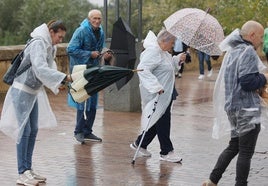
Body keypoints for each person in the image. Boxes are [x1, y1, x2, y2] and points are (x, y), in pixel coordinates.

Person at [0, 20, 72, 186]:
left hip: (33, 91)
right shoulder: (39, 42)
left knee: (33, 129)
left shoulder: (49, 45)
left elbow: (48, 68)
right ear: (51, 32)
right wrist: (63, 78)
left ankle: (28, 169)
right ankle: (21, 172)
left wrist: (58, 83)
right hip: (21, 91)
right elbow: (40, 68)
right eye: (59, 36)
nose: (60, 40)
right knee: (24, 130)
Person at [203, 20, 267, 186]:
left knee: (234, 146)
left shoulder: (232, 51)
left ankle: (212, 180)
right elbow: (247, 82)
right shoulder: (248, 52)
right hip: (247, 110)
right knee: (245, 152)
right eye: (260, 37)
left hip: (233, 108)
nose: (261, 41)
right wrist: (264, 77)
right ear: (252, 35)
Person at [129, 29, 186, 163]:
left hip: (165, 91)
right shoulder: (153, 52)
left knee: (157, 120)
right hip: (157, 93)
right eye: (172, 42)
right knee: (163, 121)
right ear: (164, 41)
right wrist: (156, 87)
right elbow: (142, 70)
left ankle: (140, 144)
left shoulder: (163, 52)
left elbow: (167, 66)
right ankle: (166, 151)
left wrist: (177, 59)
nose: (173, 45)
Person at [66, 9, 112, 143]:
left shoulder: (101, 31)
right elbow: (70, 49)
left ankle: (88, 131)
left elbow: (101, 48)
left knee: (93, 101)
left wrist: (105, 54)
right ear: (89, 19)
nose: (97, 21)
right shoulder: (81, 31)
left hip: (94, 70)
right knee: (82, 100)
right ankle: (78, 131)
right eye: (94, 18)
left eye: (99, 18)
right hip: (80, 70)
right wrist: (89, 54)